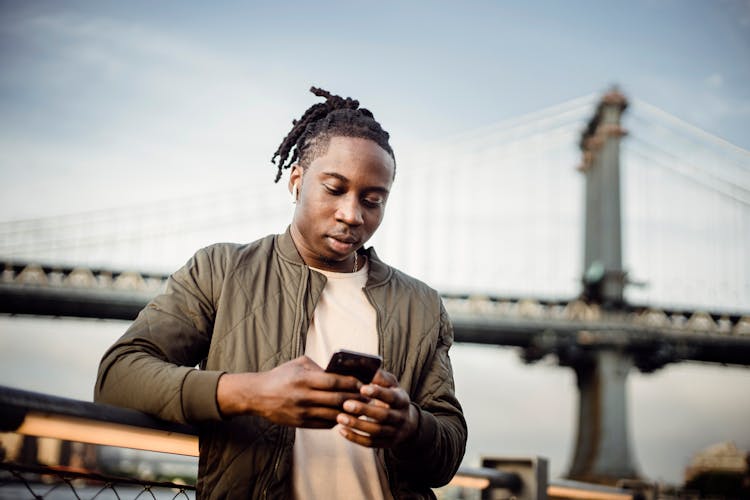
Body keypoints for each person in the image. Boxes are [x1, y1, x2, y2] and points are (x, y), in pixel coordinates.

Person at [95, 87, 467, 499]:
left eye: (373, 200)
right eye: (334, 189)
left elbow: (448, 451)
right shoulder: (220, 271)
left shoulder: (422, 305)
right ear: (296, 181)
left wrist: (410, 426)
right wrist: (250, 393)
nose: (352, 214)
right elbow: (117, 375)